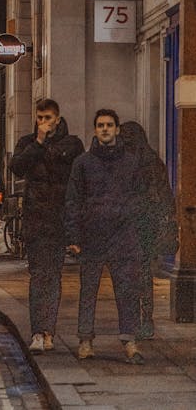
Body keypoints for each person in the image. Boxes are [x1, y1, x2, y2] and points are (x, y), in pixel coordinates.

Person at [65, 108, 147, 364]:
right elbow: (73, 200)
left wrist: (131, 220)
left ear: (117, 129)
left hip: (124, 236)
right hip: (92, 236)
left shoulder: (132, 162)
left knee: (127, 291)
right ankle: (86, 340)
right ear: (95, 130)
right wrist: (74, 236)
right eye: (100, 125)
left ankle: (130, 342)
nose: (105, 129)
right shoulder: (83, 163)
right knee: (88, 291)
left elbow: (142, 197)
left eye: (109, 125)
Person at [10, 97, 83, 354]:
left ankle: (48, 331)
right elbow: (16, 168)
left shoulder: (72, 144)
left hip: (58, 222)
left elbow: (79, 183)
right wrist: (39, 143)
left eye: (47, 118)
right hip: (35, 221)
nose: (43, 123)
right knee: (38, 276)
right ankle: (37, 333)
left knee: (52, 277)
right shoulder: (27, 143)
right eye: (39, 118)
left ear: (58, 118)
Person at [119, 121, 177, 338]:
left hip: (133, 225)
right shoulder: (152, 161)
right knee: (143, 274)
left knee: (132, 275)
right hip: (146, 225)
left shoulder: (127, 162)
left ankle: (136, 319)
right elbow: (165, 196)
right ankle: (145, 319)